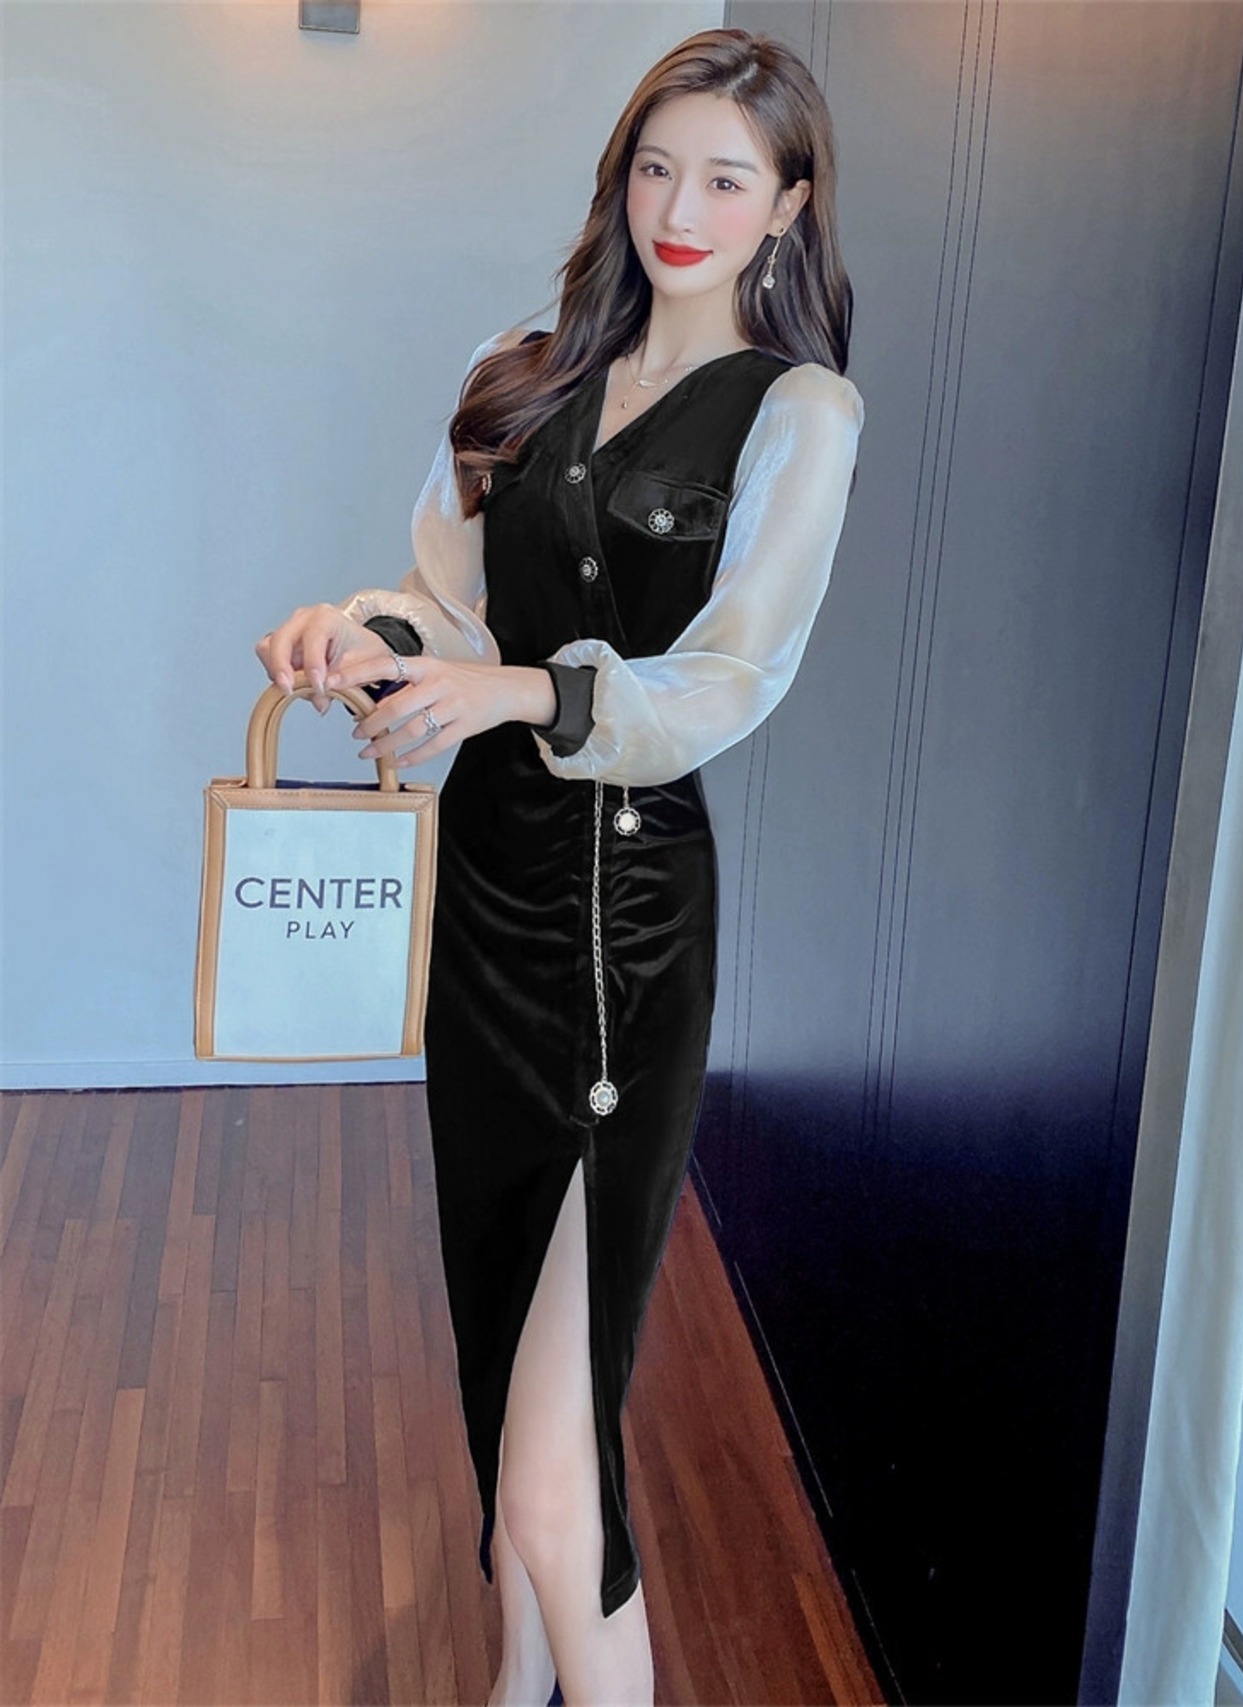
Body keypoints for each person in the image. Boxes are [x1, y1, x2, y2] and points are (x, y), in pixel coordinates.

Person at [256, 26, 864, 1707]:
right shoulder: (519, 370)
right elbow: (439, 611)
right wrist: (351, 635)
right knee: (502, 1362)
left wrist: (525, 692)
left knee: (553, 1461)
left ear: (787, 207)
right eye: (657, 166)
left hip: (624, 930)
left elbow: (730, 678)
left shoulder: (798, 411)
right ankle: (518, 1676)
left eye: (726, 179)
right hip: (490, 906)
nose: (681, 208)